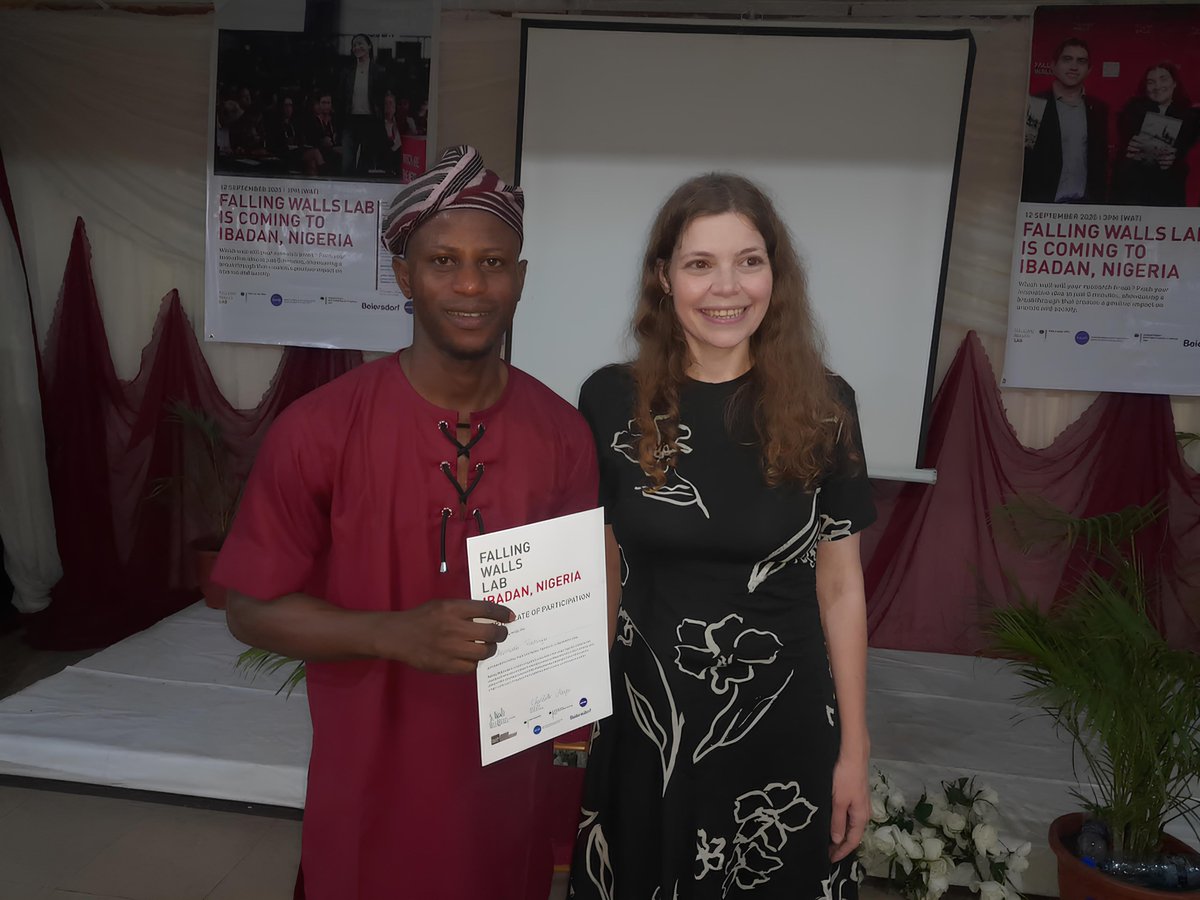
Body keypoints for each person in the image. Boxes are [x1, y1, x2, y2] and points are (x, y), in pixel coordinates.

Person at [214, 145, 599, 900]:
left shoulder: (562, 433)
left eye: (493, 264)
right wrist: (392, 633)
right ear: (403, 275)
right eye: (443, 260)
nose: (469, 284)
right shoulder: (319, 428)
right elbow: (248, 609)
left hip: (503, 804)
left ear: (520, 280)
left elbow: (569, 620)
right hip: (365, 799)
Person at [568, 173, 874, 898]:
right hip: (649, 721)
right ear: (663, 278)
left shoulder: (827, 407)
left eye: (749, 260)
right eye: (699, 263)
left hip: (782, 721)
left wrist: (855, 749)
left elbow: (841, 586)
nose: (726, 287)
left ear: (777, 274)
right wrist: (572, 699)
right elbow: (602, 567)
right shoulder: (609, 401)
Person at [1022, 37, 1109, 203]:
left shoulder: (1098, 110)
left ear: (1089, 69)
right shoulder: (1034, 105)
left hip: (1086, 207)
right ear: (1053, 66)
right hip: (1042, 207)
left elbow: (1100, 164)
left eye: (1081, 61)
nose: (1074, 67)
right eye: (1067, 59)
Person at [1111, 62, 1198, 207]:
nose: (1157, 86)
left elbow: (1189, 158)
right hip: (1134, 191)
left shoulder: (1190, 117)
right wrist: (1129, 151)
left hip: (1169, 192)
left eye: (1163, 79)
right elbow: (1120, 158)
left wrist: (1175, 158)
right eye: (1151, 82)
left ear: (1174, 83)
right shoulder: (1130, 112)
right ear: (1145, 87)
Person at [339, 33, 388, 175]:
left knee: (365, 163)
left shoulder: (379, 71)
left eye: (360, 43)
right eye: (354, 45)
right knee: (347, 162)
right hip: (350, 120)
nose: (357, 47)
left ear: (369, 46)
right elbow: (340, 98)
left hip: (370, 121)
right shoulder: (347, 72)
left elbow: (383, 98)